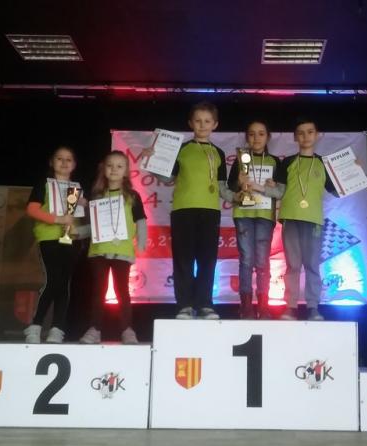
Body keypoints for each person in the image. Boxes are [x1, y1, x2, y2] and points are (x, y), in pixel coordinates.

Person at [141, 101, 233, 319]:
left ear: (215, 124)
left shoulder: (219, 153)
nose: (202, 125)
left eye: (207, 121)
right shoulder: (181, 149)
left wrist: (239, 197)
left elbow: (222, 188)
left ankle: (205, 304)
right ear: (190, 123)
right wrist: (151, 162)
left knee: (207, 259)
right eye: (198, 121)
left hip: (210, 211)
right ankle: (184, 305)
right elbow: (168, 178)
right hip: (183, 210)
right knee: (183, 259)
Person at [273, 118, 338, 321]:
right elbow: (279, 191)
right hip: (291, 218)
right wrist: (260, 187)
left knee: (312, 264)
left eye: (310, 132)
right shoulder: (287, 162)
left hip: (313, 220)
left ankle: (313, 307)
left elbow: (337, 191)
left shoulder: (324, 164)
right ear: (295, 137)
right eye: (300, 133)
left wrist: (353, 173)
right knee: (293, 265)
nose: (305, 136)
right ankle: (290, 306)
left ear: (317, 135)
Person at [79, 151, 147, 344]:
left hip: (122, 251)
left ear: (126, 171)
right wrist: (77, 233)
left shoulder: (132, 196)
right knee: (98, 291)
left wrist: (141, 242)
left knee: (122, 291)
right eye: (110, 165)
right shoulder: (96, 196)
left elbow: (141, 221)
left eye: (119, 166)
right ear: (104, 169)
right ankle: (94, 329)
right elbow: (94, 226)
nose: (114, 169)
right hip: (99, 250)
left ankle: (127, 330)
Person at [24, 146, 85, 343]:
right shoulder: (44, 184)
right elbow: (32, 210)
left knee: (64, 284)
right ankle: (35, 326)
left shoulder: (76, 188)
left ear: (74, 164)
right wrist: (58, 219)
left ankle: (57, 329)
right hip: (48, 238)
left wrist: (84, 205)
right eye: (60, 158)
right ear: (51, 162)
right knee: (53, 281)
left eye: (69, 159)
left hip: (70, 238)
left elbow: (79, 216)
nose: (64, 162)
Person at [227, 120, 283, 319]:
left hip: (265, 216)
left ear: (268, 137)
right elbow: (231, 187)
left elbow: (280, 190)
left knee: (262, 261)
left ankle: (263, 305)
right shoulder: (240, 160)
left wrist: (272, 185)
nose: (256, 138)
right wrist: (239, 182)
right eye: (251, 134)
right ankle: (246, 306)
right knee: (246, 260)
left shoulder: (275, 162)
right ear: (246, 137)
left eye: (261, 134)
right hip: (244, 214)